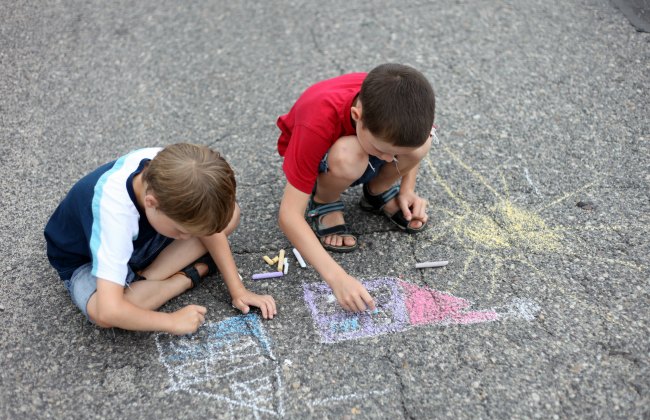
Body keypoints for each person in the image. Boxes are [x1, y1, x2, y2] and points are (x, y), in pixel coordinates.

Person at [45, 143, 276, 335]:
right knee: (105, 313)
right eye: (181, 231)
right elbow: (108, 311)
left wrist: (239, 291)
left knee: (228, 215)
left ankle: (145, 278)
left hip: (138, 240)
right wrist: (171, 322)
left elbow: (209, 229)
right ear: (151, 203)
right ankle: (185, 278)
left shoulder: (169, 170)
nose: (189, 237)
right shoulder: (115, 215)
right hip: (85, 260)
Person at [276, 63, 435, 313]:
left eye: (394, 154)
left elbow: (409, 143)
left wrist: (407, 189)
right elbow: (289, 215)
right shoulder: (317, 122)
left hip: (360, 144)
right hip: (326, 154)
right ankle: (325, 199)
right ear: (357, 115)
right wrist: (337, 278)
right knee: (349, 156)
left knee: (421, 145)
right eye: (382, 150)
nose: (387, 160)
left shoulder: (408, 107)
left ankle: (377, 192)